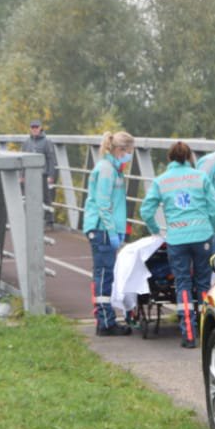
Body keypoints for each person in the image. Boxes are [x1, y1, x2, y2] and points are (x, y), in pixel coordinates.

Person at [139, 141, 215, 349]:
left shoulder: (161, 181)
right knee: (203, 283)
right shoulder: (200, 177)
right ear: (189, 157)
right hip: (202, 236)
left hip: (177, 239)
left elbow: (146, 210)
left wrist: (156, 230)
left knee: (182, 284)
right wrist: (210, 228)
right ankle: (206, 330)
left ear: (170, 158)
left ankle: (189, 335)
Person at [82, 130, 135, 336]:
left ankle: (105, 319)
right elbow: (103, 203)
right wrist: (113, 232)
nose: (129, 156)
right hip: (102, 229)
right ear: (120, 150)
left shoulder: (113, 169)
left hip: (105, 228)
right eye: (128, 151)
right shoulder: (106, 170)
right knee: (104, 275)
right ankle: (105, 322)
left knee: (104, 274)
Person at [21, 119, 60, 228]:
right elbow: (23, 159)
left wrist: (51, 175)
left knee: (46, 198)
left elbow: (51, 159)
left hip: (43, 175)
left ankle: (49, 221)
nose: (34, 129)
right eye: (32, 127)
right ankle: (31, 219)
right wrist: (22, 175)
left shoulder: (47, 141)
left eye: (36, 127)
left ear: (40, 128)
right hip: (29, 174)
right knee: (29, 197)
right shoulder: (26, 142)